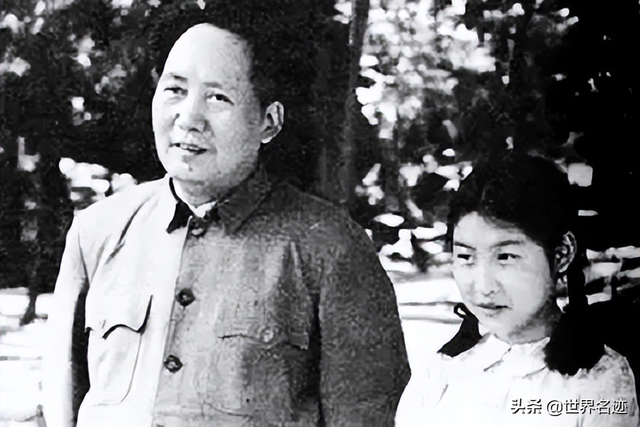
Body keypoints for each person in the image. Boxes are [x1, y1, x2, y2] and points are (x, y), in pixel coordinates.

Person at [42, 2, 410, 426]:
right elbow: (61, 399)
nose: (188, 117)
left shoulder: (330, 248)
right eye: (175, 89)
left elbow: (368, 415)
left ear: (269, 122)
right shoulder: (98, 231)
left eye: (217, 97)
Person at [395, 152, 639, 427]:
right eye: (465, 257)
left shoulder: (599, 380)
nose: (483, 286)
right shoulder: (441, 370)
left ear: (562, 253)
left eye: (505, 257)